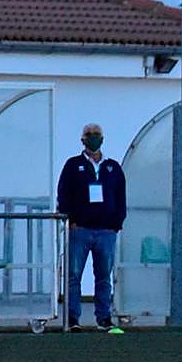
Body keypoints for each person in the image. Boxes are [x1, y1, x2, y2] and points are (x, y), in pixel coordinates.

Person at [57, 123, 126, 333]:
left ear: (103, 138)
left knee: (104, 276)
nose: (93, 138)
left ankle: (103, 318)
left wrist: (116, 224)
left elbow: (121, 197)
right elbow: (63, 193)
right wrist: (71, 220)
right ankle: (72, 318)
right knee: (74, 275)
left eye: (96, 134)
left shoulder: (112, 167)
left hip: (106, 231)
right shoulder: (72, 165)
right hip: (81, 229)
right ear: (82, 139)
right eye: (89, 134)